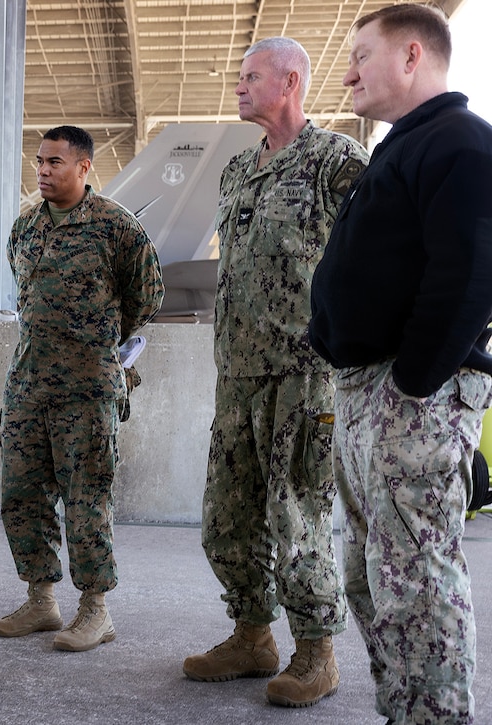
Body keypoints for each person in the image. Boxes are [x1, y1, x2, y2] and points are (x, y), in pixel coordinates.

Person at [309, 5, 492, 722]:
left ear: (411, 56)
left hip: (410, 391)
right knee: (370, 573)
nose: (349, 71)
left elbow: (470, 275)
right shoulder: (403, 146)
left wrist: (413, 383)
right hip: (366, 390)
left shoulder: (461, 144)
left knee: (415, 578)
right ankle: (405, 709)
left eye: (362, 54)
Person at [181, 37, 369, 708]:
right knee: (225, 515)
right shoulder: (237, 170)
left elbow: (386, 242)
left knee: (299, 513)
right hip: (237, 369)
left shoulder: (335, 161)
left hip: (304, 371)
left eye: (250, 76)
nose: (237, 86)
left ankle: (316, 652)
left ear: (289, 81)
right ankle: (251, 634)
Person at [0, 125, 164, 652]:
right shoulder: (26, 226)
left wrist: (99, 342)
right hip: (28, 380)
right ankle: (41, 601)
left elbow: (148, 296)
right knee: (21, 491)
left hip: (87, 387)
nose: (43, 171)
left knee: (86, 497)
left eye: (55, 163)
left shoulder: (116, 226)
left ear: (84, 167)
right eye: (39, 162)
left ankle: (95, 610)